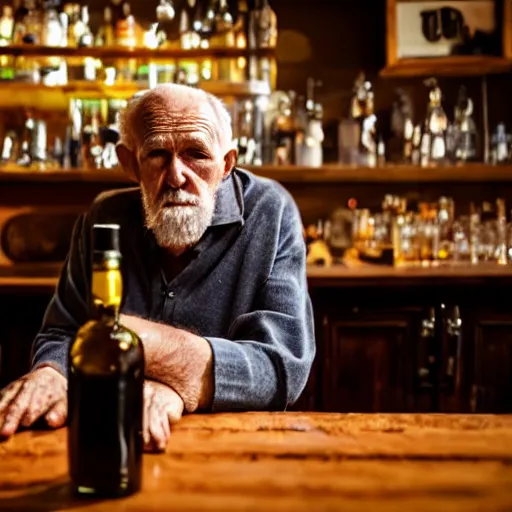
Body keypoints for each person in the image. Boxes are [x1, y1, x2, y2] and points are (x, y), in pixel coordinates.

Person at [0, 84, 315, 451]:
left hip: (238, 450)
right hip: (112, 439)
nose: (178, 175)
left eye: (197, 154)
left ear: (226, 164)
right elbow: (63, 333)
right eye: (157, 154)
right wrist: (52, 373)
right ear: (130, 163)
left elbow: (283, 367)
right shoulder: (104, 218)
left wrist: (168, 371)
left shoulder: (271, 211)